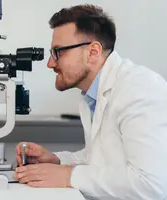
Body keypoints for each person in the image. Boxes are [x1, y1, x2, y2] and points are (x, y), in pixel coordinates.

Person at [14, 4, 167, 200]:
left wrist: (69, 176)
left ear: (93, 52)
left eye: (58, 52)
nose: (50, 63)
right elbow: (100, 158)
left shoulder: (140, 89)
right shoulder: (92, 95)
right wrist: (57, 160)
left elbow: (152, 185)